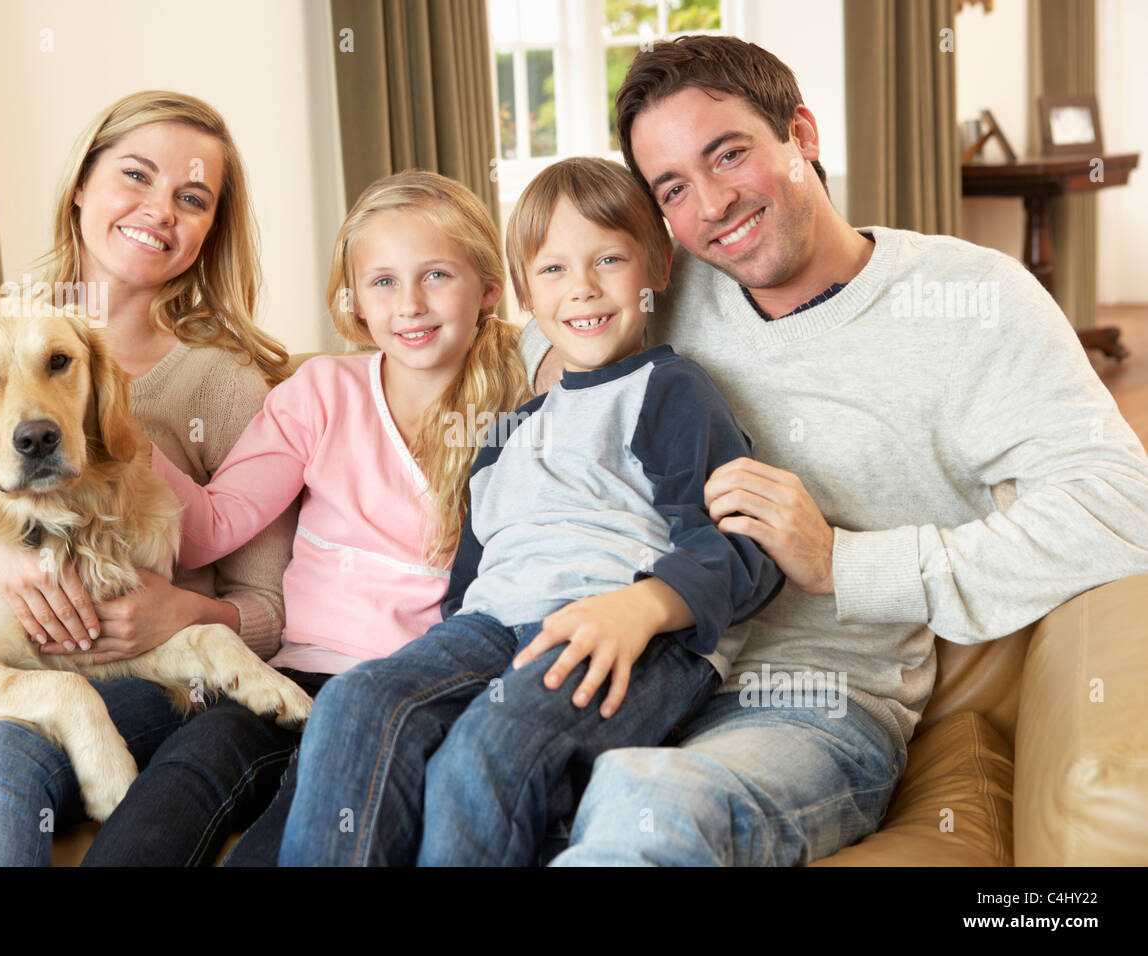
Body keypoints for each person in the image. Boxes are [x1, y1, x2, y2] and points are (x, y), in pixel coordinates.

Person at [516, 36, 1148, 866]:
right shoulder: (656, 289)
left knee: (646, 803)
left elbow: (1120, 507)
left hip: (806, 704)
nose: (710, 204)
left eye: (729, 154)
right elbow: (540, 335)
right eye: (673, 187)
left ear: (802, 134)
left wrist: (846, 564)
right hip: (628, 669)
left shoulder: (971, 302)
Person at [278, 156, 785, 867]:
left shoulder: (670, 389)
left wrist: (641, 608)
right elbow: (469, 580)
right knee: (356, 703)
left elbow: (742, 549)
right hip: (491, 627)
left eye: (608, 259)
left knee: (483, 753)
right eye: (552, 270)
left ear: (657, 268)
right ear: (521, 290)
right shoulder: (504, 430)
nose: (582, 288)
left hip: (620, 634)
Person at [0, 90, 298, 866]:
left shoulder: (227, 386)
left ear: (209, 228)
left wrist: (179, 611)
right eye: (136, 175)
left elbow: (269, 607)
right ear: (82, 184)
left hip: (112, 667)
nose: (160, 209)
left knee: (1, 750)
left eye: (192, 197)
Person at [104, 169, 529, 866]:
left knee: (304, 815)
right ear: (354, 299)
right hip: (292, 673)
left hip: (405, 694)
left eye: (437, 276)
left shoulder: (520, 402)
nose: (411, 304)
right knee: (186, 772)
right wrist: (129, 438)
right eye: (384, 281)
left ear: (487, 289)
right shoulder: (323, 392)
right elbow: (212, 526)